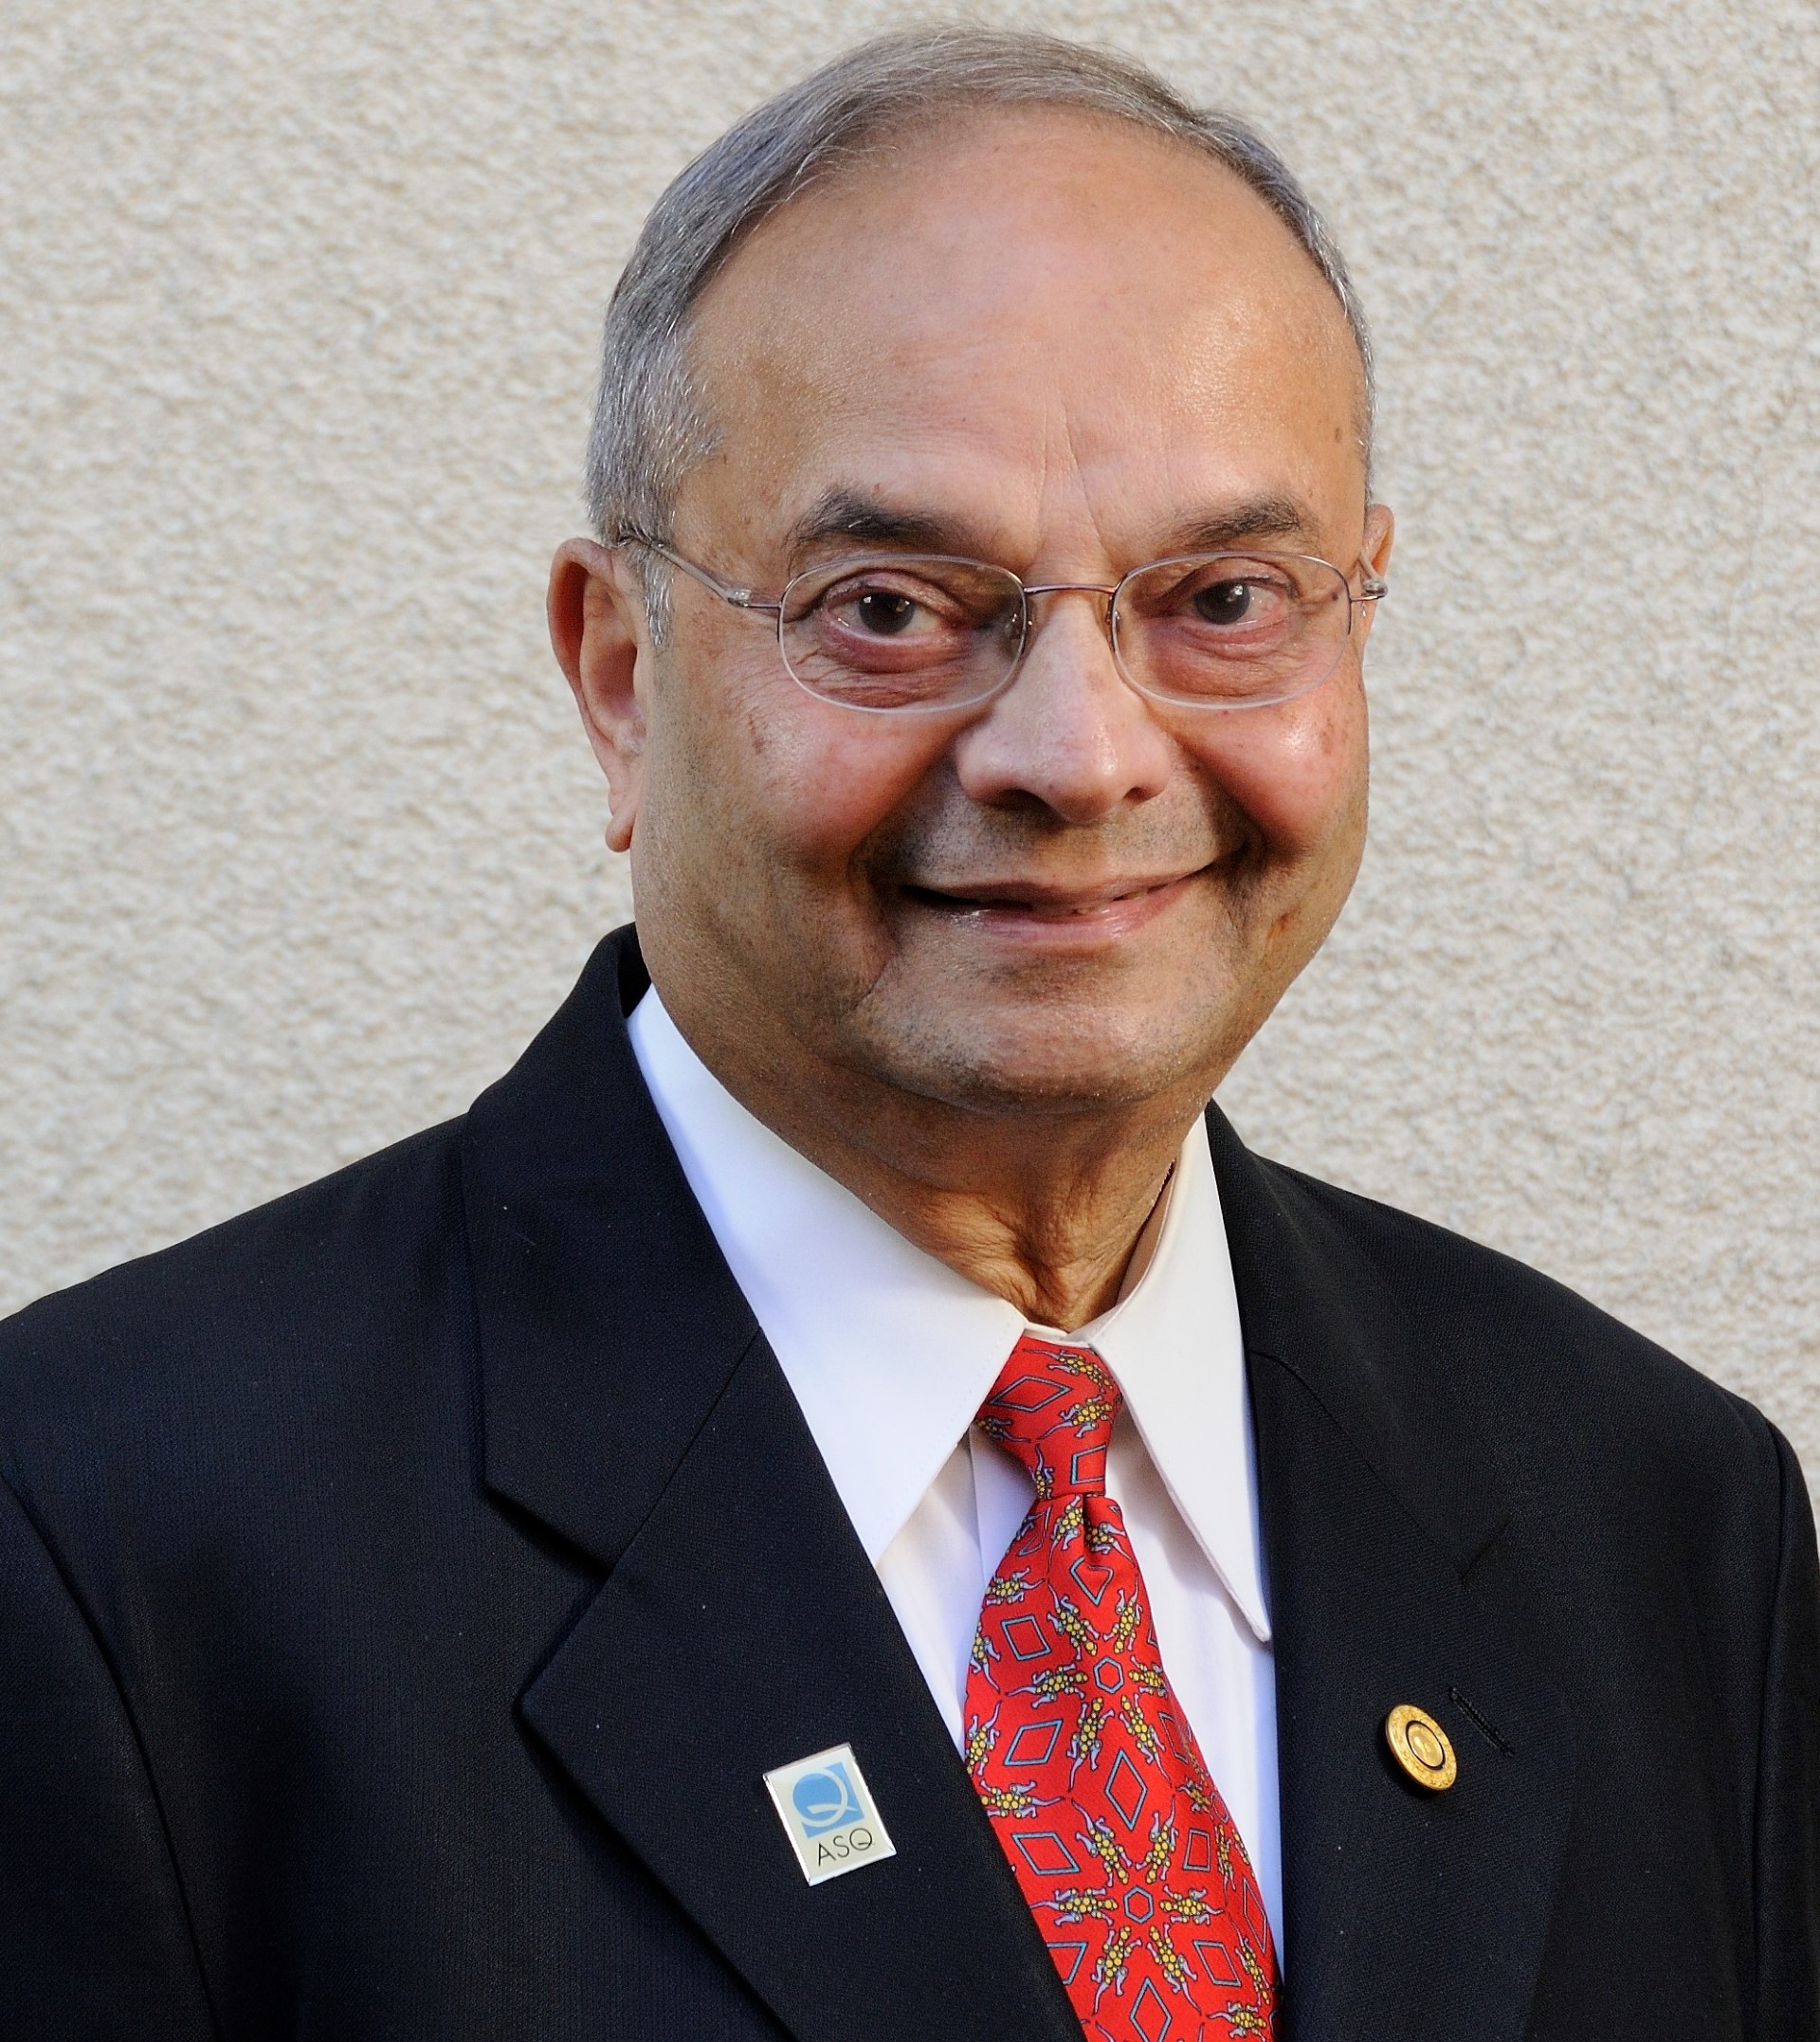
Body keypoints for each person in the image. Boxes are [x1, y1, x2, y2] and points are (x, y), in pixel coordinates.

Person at [2, 26, 1814, 2042]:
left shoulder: (1662, 1523)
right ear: (620, 677)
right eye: (888, 608)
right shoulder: (103, 1550)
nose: (1080, 752)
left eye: (1223, 594)